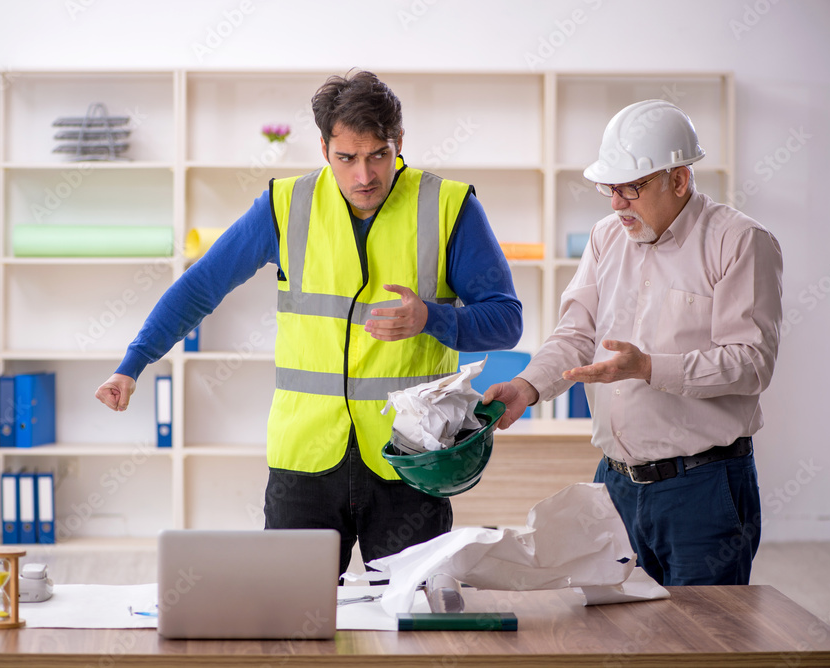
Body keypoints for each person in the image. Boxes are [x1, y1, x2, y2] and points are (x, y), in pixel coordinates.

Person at [96, 70, 522, 576]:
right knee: (292, 626)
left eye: (378, 154)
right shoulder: (284, 205)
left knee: (412, 630)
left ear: (399, 142)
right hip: (304, 462)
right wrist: (133, 363)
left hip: (411, 459)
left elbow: (506, 322)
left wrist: (432, 318)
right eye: (347, 158)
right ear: (323, 149)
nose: (364, 175)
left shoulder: (449, 206)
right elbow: (201, 286)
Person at [484, 99, 783, 586]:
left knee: (699, 643)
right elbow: (576, 334)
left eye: (631, 188)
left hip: (703, 489)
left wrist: (649, 367)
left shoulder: (739, 241)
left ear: (679, 180)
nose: (616, 202)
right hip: (616, 484)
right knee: (619, 638)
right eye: (609, 187)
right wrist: (526, 387)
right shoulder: (606, 238)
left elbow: (751, 364)